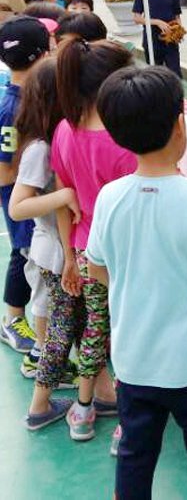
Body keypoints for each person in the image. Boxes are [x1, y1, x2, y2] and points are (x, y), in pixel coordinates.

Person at [87, 65, 187, 499]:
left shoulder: (110, 197)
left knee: (136, 455)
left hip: (136, 361)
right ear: (180, 125)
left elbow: (98, 271)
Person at [51, 38, 137, 441]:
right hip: (129, 255)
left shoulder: (64, 131)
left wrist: (69, 256)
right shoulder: (124, 141)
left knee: (96, 329)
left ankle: (83, 409)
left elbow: (64, 201)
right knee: (131, 334)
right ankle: (129, 425)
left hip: (86, 250)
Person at [9, 57, 81, 428]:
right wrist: (63, 194)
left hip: (58, 250)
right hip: (52, 252)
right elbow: (19, 206)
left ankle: (94, 391)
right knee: (60, 330)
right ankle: (39, 406)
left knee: (67, 325)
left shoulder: (58, 138)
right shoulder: (40, 147)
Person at [0, 16, 50, 354]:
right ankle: (14, 320)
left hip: (28, 194)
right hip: (21, 198)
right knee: (24, 253)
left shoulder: (25, 97)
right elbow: (4, 171)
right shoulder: (12, 109)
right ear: (40, 56)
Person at [132, 0, 183, 77]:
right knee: (156, 73)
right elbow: (136, 18)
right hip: (151, 39)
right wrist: (157, 22)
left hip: (170, 39)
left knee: (174, 72)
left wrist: (179, 32)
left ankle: (175, 95)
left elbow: (177, 16)